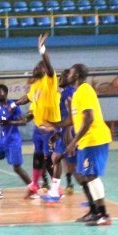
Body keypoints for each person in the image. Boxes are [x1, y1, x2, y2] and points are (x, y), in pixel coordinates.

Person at [42, 64, 113, 226]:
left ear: (77, 75)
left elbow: (89, 118)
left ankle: (103, 214)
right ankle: (95, 212)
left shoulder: (85, 90)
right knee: (85, 176)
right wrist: (54, 124)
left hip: (95, 139)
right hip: (85, 141)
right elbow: (73, 120)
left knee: (91, 176)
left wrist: (73, 142)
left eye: (71, 72)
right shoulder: (77, 94)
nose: (68, 74)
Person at [12, 34, 61, 198]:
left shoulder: (50, 80)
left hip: (50, 127)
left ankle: (56, 189)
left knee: (49, 159)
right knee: (37, 157)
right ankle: (34, 185)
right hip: (38, 129)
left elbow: (48, 65)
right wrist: (15, 104)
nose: (35, 69)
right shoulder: (35, 85)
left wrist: (42, 51)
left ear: (44, 70)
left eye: (38, 67)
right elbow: (28, 97)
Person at [41, 69, 77, 202]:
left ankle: (92, 196)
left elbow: (71, 117)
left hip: (70, 132)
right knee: (56, 158)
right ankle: (55, 191)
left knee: (74, 166)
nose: (59, 79)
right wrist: (57, 133)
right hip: (65, 132)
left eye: (62, 77)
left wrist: (54, 125)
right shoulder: (65, 93)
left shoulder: (68, 92)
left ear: (69, 78)